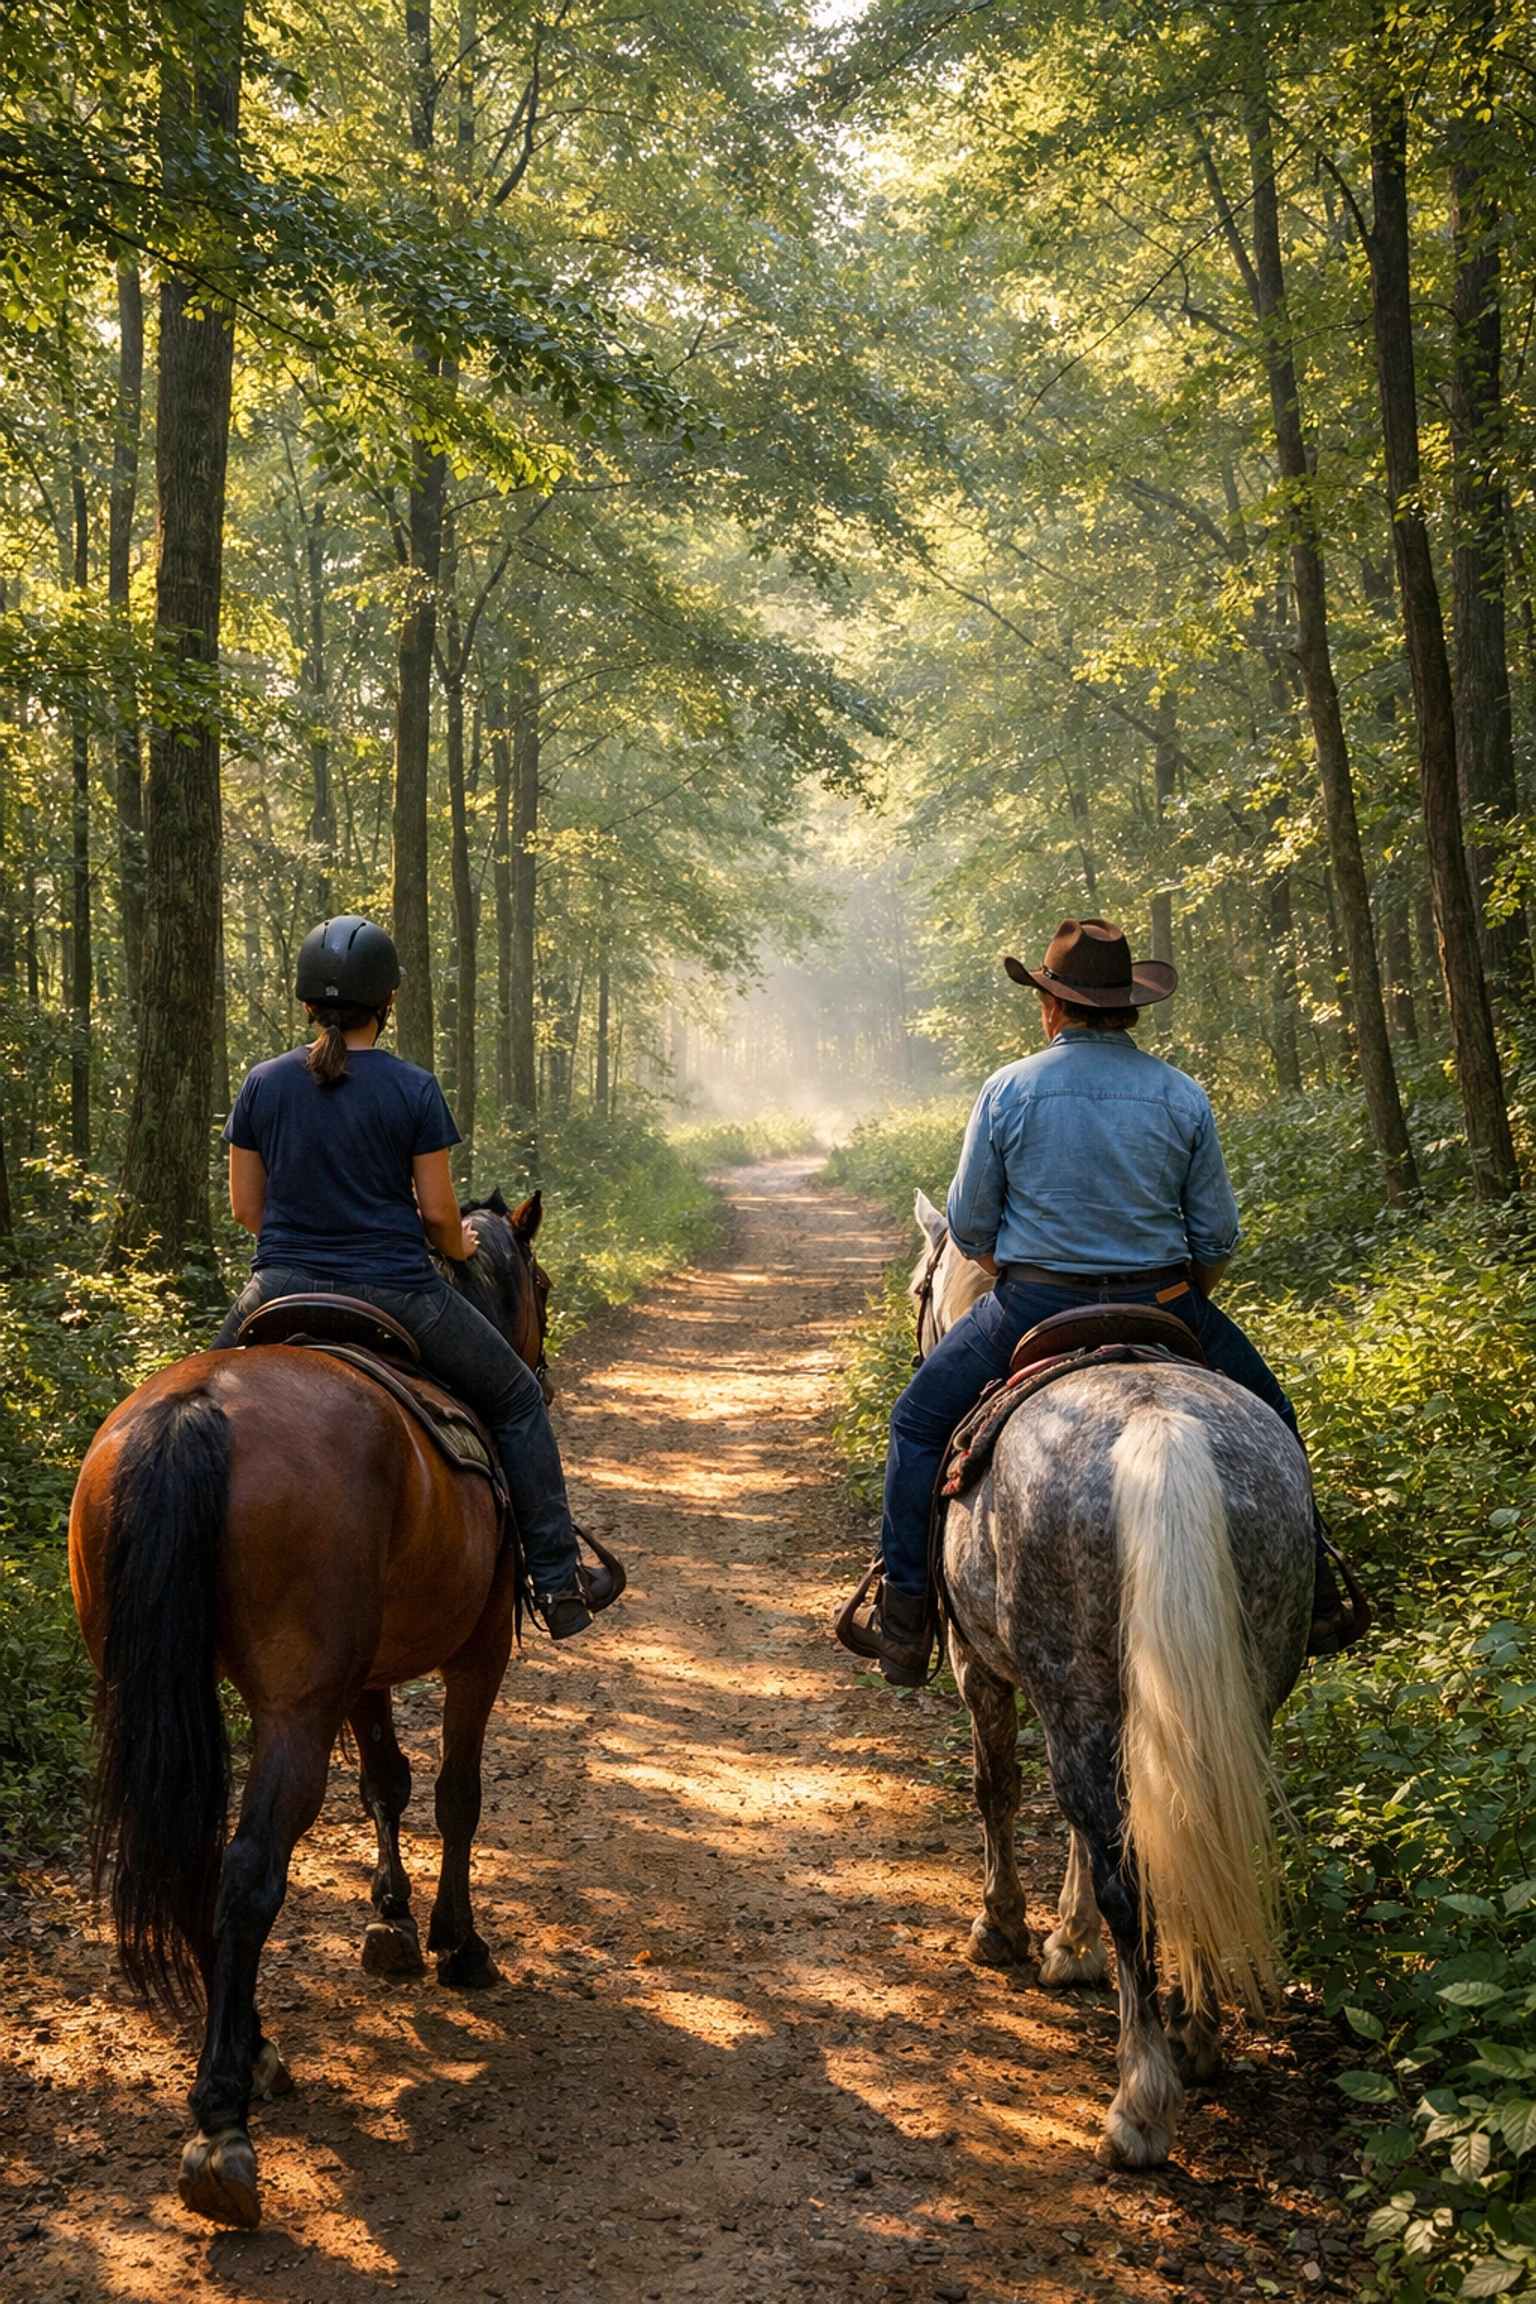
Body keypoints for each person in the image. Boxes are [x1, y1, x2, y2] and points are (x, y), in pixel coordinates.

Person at [837, 915, 1359, 1688]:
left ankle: (906, 1615)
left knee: (916, 1422)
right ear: (1129, 1009)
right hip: (1168, 1301)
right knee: (1272, 1418)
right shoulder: (1182, 1095)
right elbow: (1216, 1236)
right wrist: (1178, 1295)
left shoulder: (1008, 1088)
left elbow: (972, 1226)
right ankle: (1314, 1591)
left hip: (1032, 1305)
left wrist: (1021, 1270)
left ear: (1053, 1007)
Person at [214, 914, 621, 1641]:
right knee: (520, 1399)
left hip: (276, 1289)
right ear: (387, 1002)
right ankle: (557, 1580)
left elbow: (248, 1209)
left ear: (307, 1003)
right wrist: (461, 1246)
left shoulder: (262, 1084)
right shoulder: (412, 1088)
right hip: (397, 1292)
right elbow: (439, 1217)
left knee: (191, 1405)